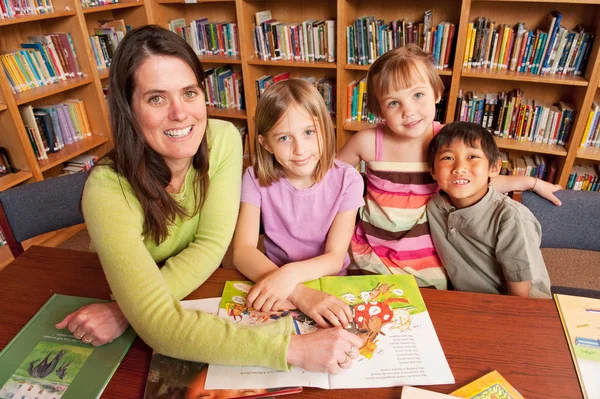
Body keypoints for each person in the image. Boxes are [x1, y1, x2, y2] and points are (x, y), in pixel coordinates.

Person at [55, 25, 362, 374]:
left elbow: (211, 245)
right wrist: (290, 347)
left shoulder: (223, 140)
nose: (180, 113)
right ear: (128, 108)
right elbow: (160, 326)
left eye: (189, 93)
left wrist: (131, 309)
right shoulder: (106, 190)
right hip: (135, 289)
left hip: (189, 290)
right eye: (156, 98)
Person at [336, 44, 562, 289]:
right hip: (373, 250)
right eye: (393, 103)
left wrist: (531, 182)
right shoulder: (367, 142)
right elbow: (330, 180)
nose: (408, 111)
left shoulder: (446, 141)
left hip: (430, 257)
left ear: (436, 93)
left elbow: (474, 180)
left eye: (418, 95)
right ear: (379, 110)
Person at [233, 79, 365, 328]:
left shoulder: (348, 179)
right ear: (265, 144)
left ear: (324, 130)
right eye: (284, 138)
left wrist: (290, 275)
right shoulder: (254, 178)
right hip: (271, 278)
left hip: (328, 281)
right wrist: (297, 292)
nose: (299, 149)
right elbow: (242, 252)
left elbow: (335, 257)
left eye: (308, 132)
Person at [426, 122, 551, 298]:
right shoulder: (434, 205)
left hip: (520, 308)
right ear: (432, 170)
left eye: (472, 157)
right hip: (466, 300)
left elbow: (520, 297)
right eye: (448, 158)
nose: (459, 168)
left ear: (494, 167)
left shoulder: (512, 218)